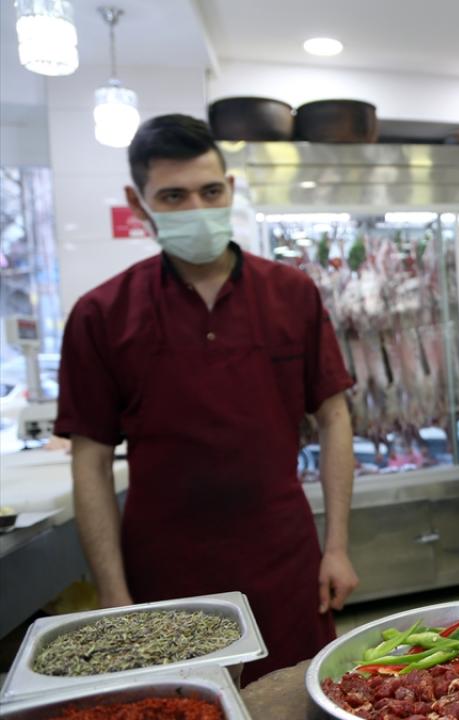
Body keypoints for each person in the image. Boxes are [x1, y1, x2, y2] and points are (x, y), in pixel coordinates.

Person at [55, 114, 359, 682]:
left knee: (292, 698)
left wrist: (337, 545)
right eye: (173, 196)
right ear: (137, 201)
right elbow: (89, 459)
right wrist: (114, 594)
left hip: (284, 558)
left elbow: (334, 416)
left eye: (210, 191)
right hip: (165, 573)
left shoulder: (291, 295)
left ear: (231, 190)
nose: (196, 207)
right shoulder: (103, 314)